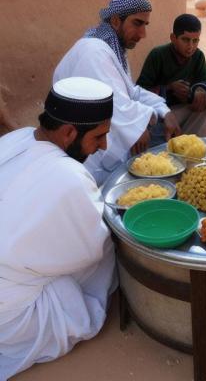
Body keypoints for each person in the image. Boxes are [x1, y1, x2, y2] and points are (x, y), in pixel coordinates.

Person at [0, 77, 116, 379]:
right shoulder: (70, 177)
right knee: (106, 253)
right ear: (68, 132)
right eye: (100, 136)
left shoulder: (17, 137)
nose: (104, 146)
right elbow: (90, 251)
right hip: (10, 318)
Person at [53, 0, 180, 185]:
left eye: (145, 25)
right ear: (115, 21)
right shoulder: (93, 51)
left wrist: (164, 110)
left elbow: (130, 91)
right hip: (85, 157)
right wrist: (141, 124)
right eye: (137, 23)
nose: (143, 34)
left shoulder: (111, 50)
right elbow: (116, 104)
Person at [137, 13, 206, 140]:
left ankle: (191, 143)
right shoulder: (157, 55)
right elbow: (139, 93)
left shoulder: (198, 56)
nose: (191, 46)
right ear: (173, 38)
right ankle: (180, 142)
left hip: (185, 111)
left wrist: (199, 89)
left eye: (195, 40)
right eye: (185, 40)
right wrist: (168, 88)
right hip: (163, 115)